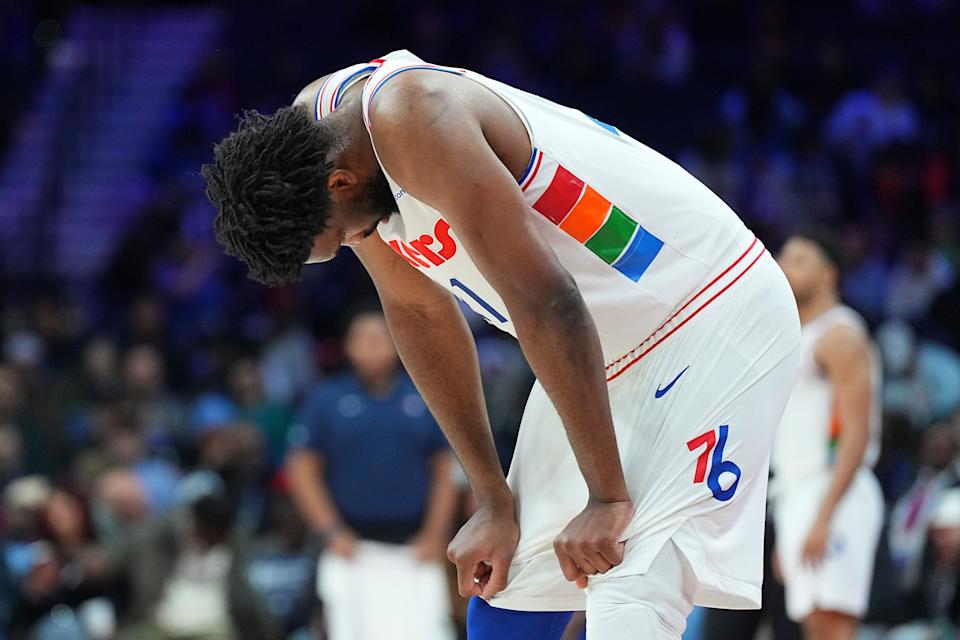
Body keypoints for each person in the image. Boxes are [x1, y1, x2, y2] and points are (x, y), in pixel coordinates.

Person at [202, 49, 801, 638]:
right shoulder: (324, 143)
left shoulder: (414, 116)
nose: (364, 241)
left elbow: (550, 303)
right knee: (505, 591)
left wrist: (607, 495)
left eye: (350, 234)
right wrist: (491, 497)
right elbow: (417, 309)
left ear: (340, 181)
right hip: (603, 346)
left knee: (630, 578)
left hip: (707, 308)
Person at [286, 310, 458, 640]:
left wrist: (436, 532)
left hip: (414, 546)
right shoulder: (326, 400)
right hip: (350, 546)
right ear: (348, 347)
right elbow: (301, 468)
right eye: (363, 339)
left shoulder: (423, 397)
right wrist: (330, 530)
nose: (373, 347)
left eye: (380, 338)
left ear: (396, 341)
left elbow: (445, 468)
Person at [773, 232, 885, 640]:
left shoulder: (841, 335)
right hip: (799, 491)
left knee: (834, 629)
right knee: (815, 626)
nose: (786, 265)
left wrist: (824, 515)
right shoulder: (795, 336)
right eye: (783, 256)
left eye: (800, 259)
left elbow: (856, 432)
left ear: (828, 275)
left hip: (835, 490)